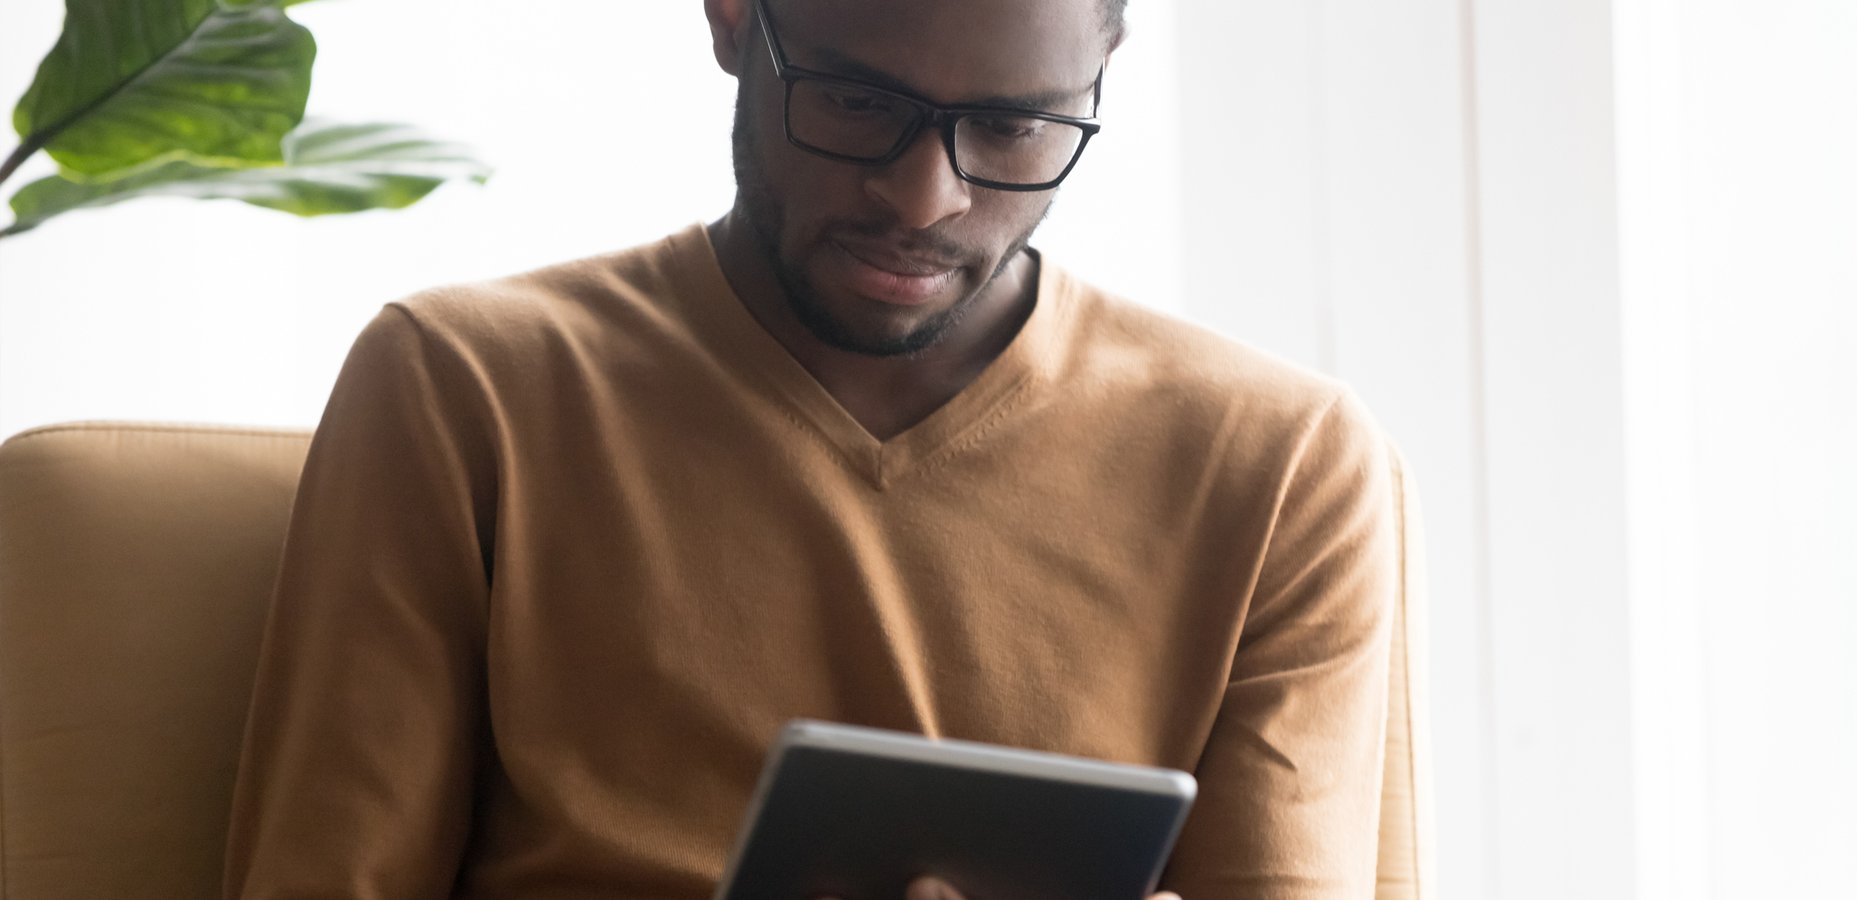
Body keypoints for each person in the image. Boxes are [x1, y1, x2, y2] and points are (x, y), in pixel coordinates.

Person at [222, 0, 1406, 898]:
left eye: (1012, 125)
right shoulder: (464, 385)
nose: (925, 198)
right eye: (855, 103)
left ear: (1100, 76)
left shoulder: (1279, 461)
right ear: (737, 19)